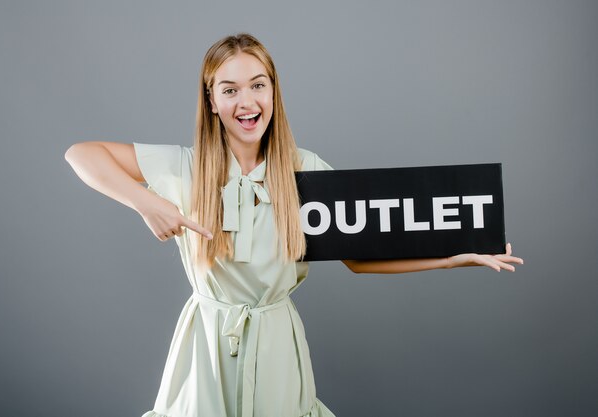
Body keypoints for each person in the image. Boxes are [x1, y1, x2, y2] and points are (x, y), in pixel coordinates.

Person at [65, 33, 523, 417]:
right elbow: (82, 154)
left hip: (276, 345)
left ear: (273, 91)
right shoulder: (187, 166)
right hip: (205, 345)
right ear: (211, 99)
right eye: (229, 90)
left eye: (257, 85)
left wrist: (451, 258)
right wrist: (145, 202)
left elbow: (361, 260)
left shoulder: (306, 172)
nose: (246, 101)